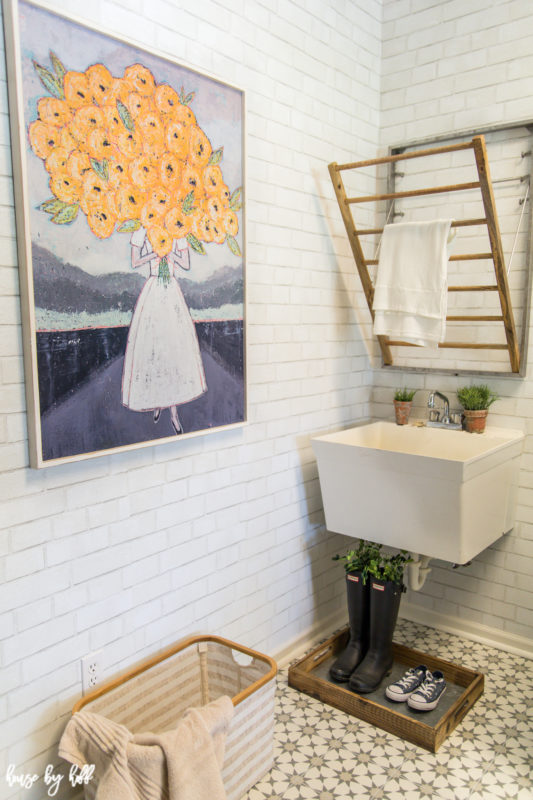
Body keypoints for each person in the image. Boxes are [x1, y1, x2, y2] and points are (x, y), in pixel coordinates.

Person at [121, 226, 207, 434]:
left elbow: (185, 263)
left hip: (171, 293)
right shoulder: (143, 229)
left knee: (173, 349)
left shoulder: (177, 227)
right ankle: (157, 401)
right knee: (154, 350)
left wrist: (170, 253)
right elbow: (135, 261)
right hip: (153, 292)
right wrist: (155, 252)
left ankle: (174, 414)